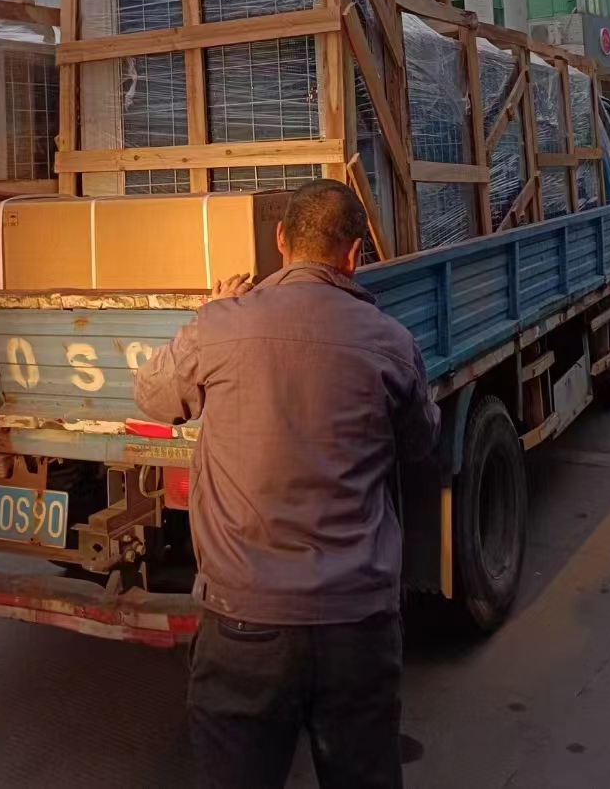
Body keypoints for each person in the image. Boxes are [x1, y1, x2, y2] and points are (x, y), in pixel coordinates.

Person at [133, 179, 440, 789]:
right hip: (357, 624)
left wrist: (210, 312)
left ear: (279, 241)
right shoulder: (391, 344)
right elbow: (420, 448)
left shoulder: (221, 328)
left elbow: (154, 397)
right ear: (354, 254)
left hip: (244, 623)